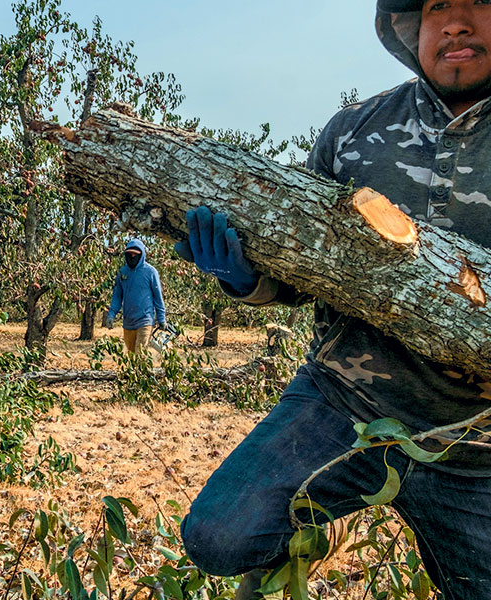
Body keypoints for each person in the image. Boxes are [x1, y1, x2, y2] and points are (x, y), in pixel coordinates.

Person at [178, 1, 491, 598]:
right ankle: (322, 521)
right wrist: (245, 278)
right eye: (437, 6)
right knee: (218, 538)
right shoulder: (353, 131)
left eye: (478, 0)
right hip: (343, 400)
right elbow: (301, 271)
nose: (456, 22)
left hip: (474, 444)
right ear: (412, 27)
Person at [104, 239, 168, 353]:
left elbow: (158, 297)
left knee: (140, 355)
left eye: (135, 254)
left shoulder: (150, 272)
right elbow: (117, 296)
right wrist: (111, 315)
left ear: (141, 254)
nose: (132, 257)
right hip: (128, 323)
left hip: (145, 321)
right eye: (130, 254)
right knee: (131, 356)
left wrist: (161, 318)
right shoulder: (122, 272)